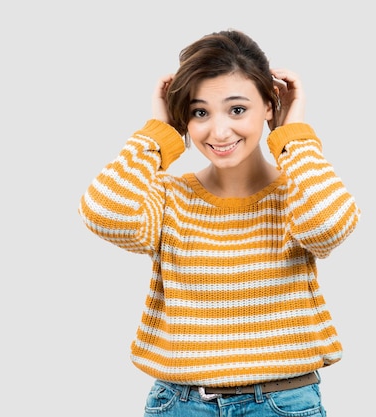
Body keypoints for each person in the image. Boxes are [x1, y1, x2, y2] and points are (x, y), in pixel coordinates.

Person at [77, 29, 360, 416]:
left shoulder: (298, 195)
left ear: (270, 106)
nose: (219, 131)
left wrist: (293, 137)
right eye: (199, 112)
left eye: (238, 109)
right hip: (180, 403)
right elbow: (104, 211)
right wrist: (158, 135)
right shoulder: (168, 197)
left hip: (281, 403)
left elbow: (329, 226)